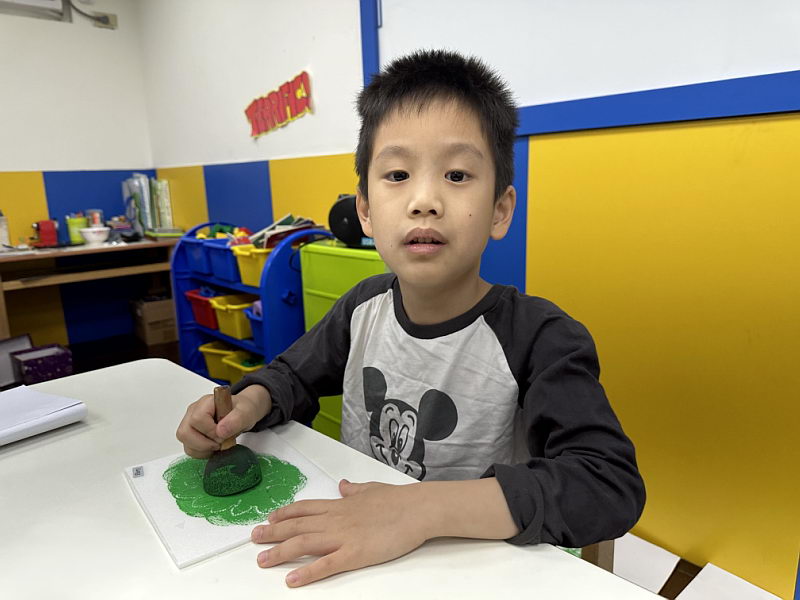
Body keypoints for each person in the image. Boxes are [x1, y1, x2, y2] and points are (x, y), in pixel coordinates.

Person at [177, 49, 645, 588]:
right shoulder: (361, 307)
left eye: (457, 174)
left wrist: (419, 509)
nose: (425, 200)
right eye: (397, 174)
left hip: (473, 575)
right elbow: (291, 376)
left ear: (500, 210)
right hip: (363, 564)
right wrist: (246, 406)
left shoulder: (539, 337)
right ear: (366, 212)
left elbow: (607, 484)